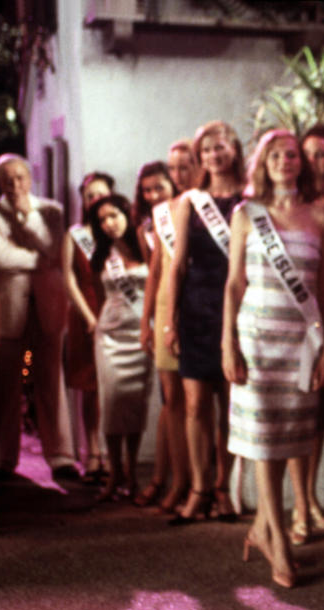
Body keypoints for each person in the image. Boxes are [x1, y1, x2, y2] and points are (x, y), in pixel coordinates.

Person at [222, 129, 324, 588]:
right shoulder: (246, 215)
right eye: (275, 154)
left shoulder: (320, 218)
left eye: (291, 154)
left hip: (300, 343)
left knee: (291, 439)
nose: (285, 160)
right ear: (262, 162)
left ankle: (264, 527)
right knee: (263, 438)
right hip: (256, 339)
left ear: (301, 163)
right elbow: (233, 285)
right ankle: (277, 539)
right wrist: (226, 343)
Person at [164, 120, 245, 524]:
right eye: (207, 149)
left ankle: (223, 489)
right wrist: (170, 322)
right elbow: (177, 266)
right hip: (196, 308)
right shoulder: (190, 201)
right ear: (201, 157)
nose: (215, 154)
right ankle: (198, 487)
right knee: (195, 405)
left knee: (230, 405)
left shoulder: (251, 199)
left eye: (221, 146)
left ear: (234, 149)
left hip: (238, 311)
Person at [0, 153, 78, 483]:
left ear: (30, 179)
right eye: (7, 180)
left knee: (51, 380)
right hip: (10, 309)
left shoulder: (51, 211)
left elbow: (55, 248)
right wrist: (38, 260)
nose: (14, 185)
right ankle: (2, 458)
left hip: (47, 308)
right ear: (0, 183)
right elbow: (0, 257)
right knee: (5, 384)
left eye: (19, 178)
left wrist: (29, 220)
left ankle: (61, 456)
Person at [286, 123, 324, 541]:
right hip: (298, 318)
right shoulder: (297, 206)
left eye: (323, 153)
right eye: (308, 154)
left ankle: (311, 496)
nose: (316, 161)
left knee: (322, 413)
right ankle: (298, 507)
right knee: (297, 415)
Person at [84, 193, 153, 501]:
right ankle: (114, 474)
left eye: (113, 215)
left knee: (136, 405)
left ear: (127, 213)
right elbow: (99, 295)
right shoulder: (101, 254)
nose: (109, 224)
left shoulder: (145, 245)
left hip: (141, 335)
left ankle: (133, 471)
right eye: (102, 220)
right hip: (110, 336)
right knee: (111, 405)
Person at [133, 161, 190, 511]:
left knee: (198, 402)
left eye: (159, 187)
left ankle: (198, 483)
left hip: (195, 306)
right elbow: (155, 272)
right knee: (172, 402)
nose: (154, 195)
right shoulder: (153, 221)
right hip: (165, 308)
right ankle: (171, 479)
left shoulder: (192, 209)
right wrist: (146, 321)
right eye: (147, 190)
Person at [62, 171, 116, 485]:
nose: (95, 200)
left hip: (115, 313)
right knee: (89, 386)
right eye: (89, 195)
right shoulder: (76, 234)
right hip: (86, 312)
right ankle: (92, 449)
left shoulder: (117, 230)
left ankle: (112, 452)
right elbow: (68, 278)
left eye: (100, 193)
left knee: (113, 386)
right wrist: (88, 316)